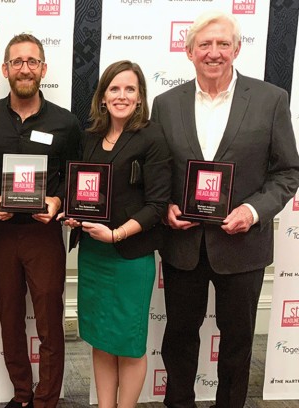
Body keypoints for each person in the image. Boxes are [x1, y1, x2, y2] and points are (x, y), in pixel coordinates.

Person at [151, 10, 299, 408]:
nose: (213, 52)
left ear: (236, 49)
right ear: (189, 52)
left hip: (243, 245)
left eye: (222, 44)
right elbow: (158, 170)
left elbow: (287, 171)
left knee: (237, 342)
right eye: (204, 44)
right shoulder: (165, 104)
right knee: (179, 337)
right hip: (184, 246)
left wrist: (252, 211)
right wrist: (164, 206)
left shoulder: (271, 100)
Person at [0, 33, 82, 408]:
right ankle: (22, 395)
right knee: (10, 319)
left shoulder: (65, 122)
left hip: (44, 234)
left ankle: (47, 399)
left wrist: (57, 199)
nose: (24, 68)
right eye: (17, 61)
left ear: (43, 69)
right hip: (1, 234)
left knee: (51, 322)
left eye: (32, 61)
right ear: (5, 69)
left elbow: (76, 174)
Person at [61, 60, 171, 408]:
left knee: (129, 343)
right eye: (114, 88)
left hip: (130, 257)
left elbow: (156, 205)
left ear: (140, 98)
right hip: (94, 256)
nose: (121, 95)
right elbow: (83, 191)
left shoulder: (152, 137)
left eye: (130, 89)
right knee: (101, 338)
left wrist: (117, 234)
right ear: (103, 96)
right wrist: (73, 214)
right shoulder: (90, 136)